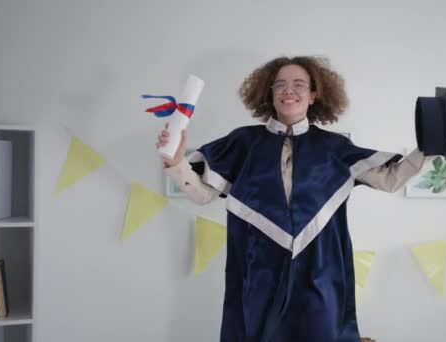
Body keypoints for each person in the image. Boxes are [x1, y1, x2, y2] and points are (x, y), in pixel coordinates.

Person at [158, 56, 429, 342]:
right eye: (280, 85)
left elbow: (391, 179)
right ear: (270, 94)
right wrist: (176, 162)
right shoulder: (243, 143)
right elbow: (202, 194)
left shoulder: (334, 148)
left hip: (320, 267)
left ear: (314, 94)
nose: (289, 90)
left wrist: (429, 147)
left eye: (299, 84)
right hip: (259, 266)